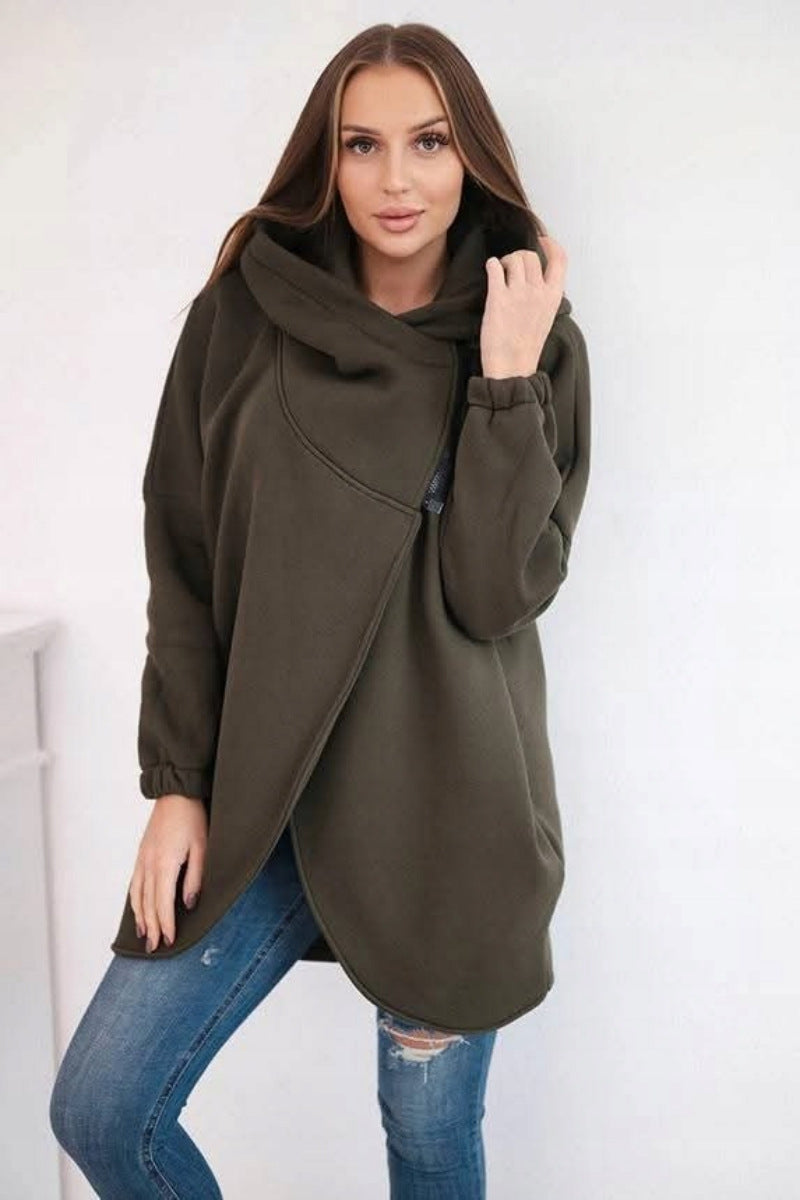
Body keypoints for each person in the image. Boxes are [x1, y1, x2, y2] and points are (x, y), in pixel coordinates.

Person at [49, 21, 591, 1199]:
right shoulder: (243, 317)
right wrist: (177, 784)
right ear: (325, 159)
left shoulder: (530, 342)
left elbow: (495, 593)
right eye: (361, 144)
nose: (396, 180)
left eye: (428, 142)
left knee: (427, 1147)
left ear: (469, 156)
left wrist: (504, 382)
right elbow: (185, 561)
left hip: (447, 815)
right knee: (102, 1107)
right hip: (263, 803)